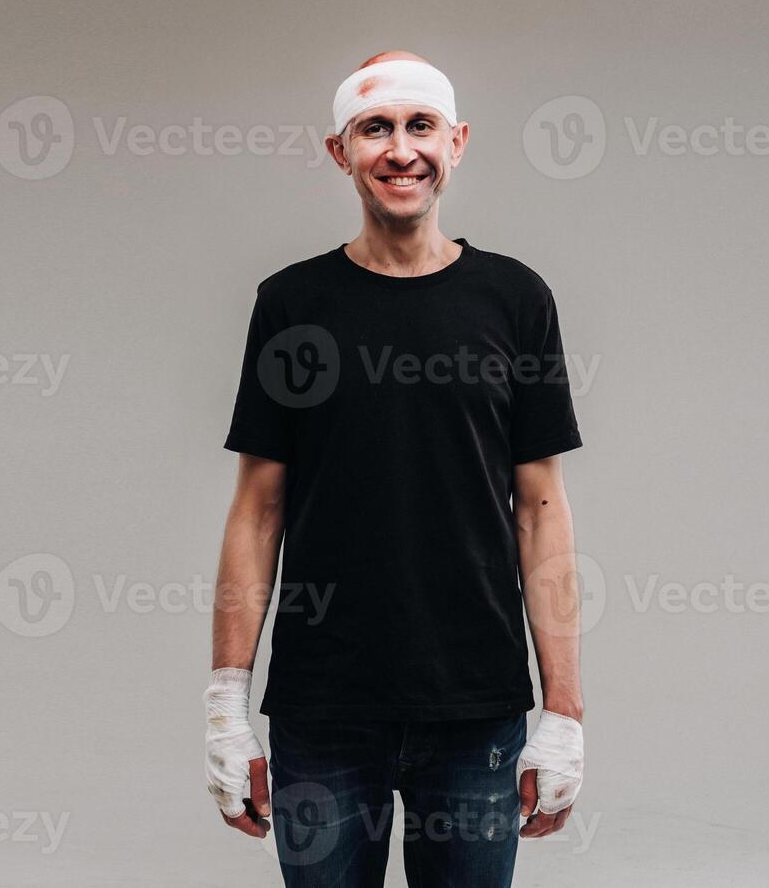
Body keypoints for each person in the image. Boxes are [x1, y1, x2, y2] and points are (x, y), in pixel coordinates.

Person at [204, 51, 587, 887]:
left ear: (458, 141)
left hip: (477, 703)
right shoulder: (292, 305)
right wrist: (225, 705)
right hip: (323, 707)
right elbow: (257, 510)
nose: (400, 149)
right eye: (374, 128)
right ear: (340, 151)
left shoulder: (516, 301)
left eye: (420, 126)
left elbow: (541, 511)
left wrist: (564, 711)